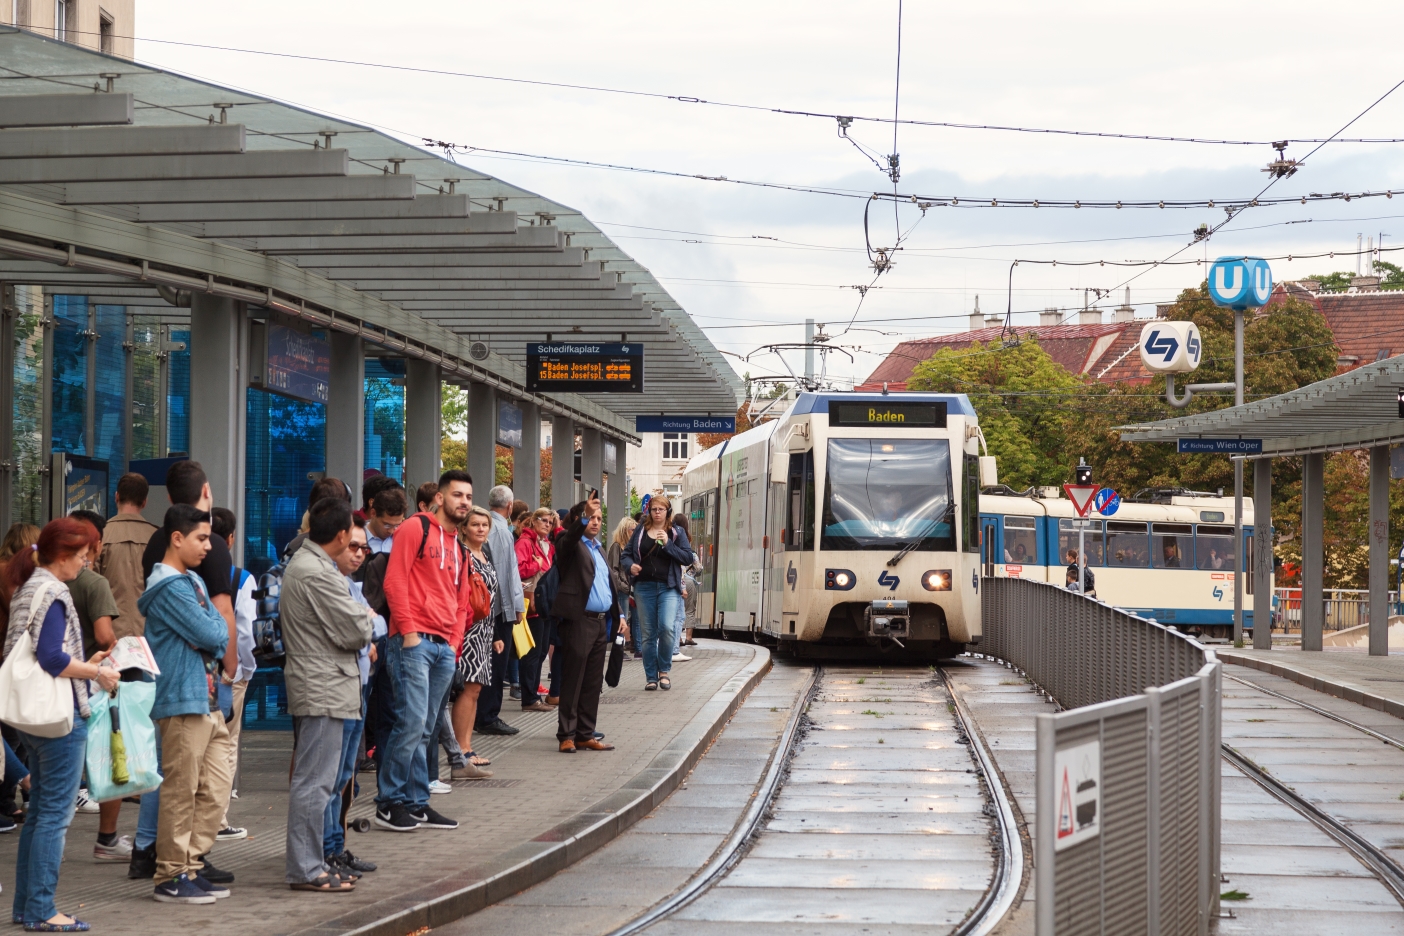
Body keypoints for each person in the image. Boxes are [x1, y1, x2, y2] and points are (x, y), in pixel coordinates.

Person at [5, 518, 121, 930]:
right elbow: (53, 658)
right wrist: (96, 674)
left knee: (39, 816)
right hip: (59, 721)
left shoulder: (27, 586)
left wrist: (83, 665)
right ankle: (41, 910)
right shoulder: (53, 591)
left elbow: (45, 656)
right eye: (84, 556)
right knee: (54, 817)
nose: (86, 564)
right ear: (64, 556)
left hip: (31, 719)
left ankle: (26, 907)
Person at [131, 462, 237, 883]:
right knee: (180, 792)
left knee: (213, 788)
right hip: (182, 698)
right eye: (200, 539)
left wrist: (210, 632)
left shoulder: (191, 582)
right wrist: (210, 633)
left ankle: (191, 864)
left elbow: (212, 631)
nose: (208, 547)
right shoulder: (171, 586)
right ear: (177, 539)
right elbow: (212, 631)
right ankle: (172, 873)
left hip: (206, 699)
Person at [280, 498, 373, 892]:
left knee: (322, 781)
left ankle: (313, 862)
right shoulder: (315, 572)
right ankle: (305, 868)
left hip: (328, 684)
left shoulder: (315, 566)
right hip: (321, 685)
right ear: (339, 535)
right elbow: (357, 629)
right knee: (315, 782)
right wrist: (364, 619)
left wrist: (360, 619)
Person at [375, 470, 474, 833]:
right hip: (412, 643)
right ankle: (389, 802)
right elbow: (394, 579)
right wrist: (410, 632)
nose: (464, 501)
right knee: (412, 722)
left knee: (426, 728)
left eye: (468, 496)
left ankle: (416, 802)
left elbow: (462, 600)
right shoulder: (416, 528)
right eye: (457, 495)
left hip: (443, 648)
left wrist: (453, 644)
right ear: (440, 498)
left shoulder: (458, 546)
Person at [66, 510, 130, 860]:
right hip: (92, 681)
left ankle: (50, 838)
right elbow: (105, 637)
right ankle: (107, 838)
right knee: (109, 757)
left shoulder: (43, 580)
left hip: (57, 686)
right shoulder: (93, 584)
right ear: (96, 545)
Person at [323, 518, 383, 876]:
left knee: (345, 775)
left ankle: (336, 847)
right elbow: (360, 627)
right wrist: (366, 625)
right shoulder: (328, 582)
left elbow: (379, 626)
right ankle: (327, 850)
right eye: (354, 547)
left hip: (357, 686)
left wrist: (367, 625)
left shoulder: (352, 585)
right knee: (329, 779)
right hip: (335, 688)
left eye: (365, 549)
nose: (360, 554)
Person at [552, 493, 627, 752]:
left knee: (593, 682)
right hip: (579, 621)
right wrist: (582, 516)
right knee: (573, 679)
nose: (595, 522)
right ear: (578, 520)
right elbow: (570, 537)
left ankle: (585, 733)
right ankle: (567, 735)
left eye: (598, 518)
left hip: (599, 622)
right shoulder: (568, 543)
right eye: (590, 518)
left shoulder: (599, 549)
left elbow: (608, 586)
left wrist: (620, 615)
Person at [209, 508, 254, 842]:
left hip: (199, 671)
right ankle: (219, 820)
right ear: (231, 538)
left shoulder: (188, 574)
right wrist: (242, 670)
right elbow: (246, 631)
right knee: (226, 744)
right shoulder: (240, 578)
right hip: (230, 673)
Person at [622, 494, 692, 691]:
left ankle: (664, 671)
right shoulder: (641, 530)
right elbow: (626, 555)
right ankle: (651, 677)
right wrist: (631, 567)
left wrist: (668, 544)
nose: (658, 512)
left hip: (668, 587)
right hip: (644, 587)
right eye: (654, 509)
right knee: (648, 634)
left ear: (667, 511)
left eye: (661, 509)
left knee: (667, 628)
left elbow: (687, 557)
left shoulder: (676, 532)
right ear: (649, 512)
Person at [450, 507, 500, 778]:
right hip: (468, 629)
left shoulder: (484, 553)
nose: (481, 529)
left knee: (476, 690)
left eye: (484, 525)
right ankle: (462, 748)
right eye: (475, 525)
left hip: (485, 630)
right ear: (464, 528)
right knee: (468, 690)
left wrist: (496, 636)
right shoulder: (463, 554)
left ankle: (467, 746)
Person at [475, 486, 524, 738]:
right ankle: (488, 716)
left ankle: (480, 714)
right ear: (510, 506)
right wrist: (515, 607)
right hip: (497, 611)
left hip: (482, 607)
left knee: (483, 665)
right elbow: (507, 573)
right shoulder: (503, 532)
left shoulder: (486, 528)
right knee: (495, 665)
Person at [98, 473, 157, 640]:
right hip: (149, 635)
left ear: (116, 497)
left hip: (110, 634)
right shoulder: (157, 538)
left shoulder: (100, 535)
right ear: (144, 502)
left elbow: (92, 588)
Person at [515, 509, 556, 712]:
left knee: (541, 652)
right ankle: (529, 697)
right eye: (544, 520)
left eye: (551, 522)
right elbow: (519, 570)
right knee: (532, 652)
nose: (548, 524)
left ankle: (532, 694)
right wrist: (536, 564)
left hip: (544, 604)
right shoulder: (525, 542)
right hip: (531, 604)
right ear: (533, 521)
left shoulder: (546, 544)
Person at [670, 514, 698, 662]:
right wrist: (683, 585)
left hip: (678, 580)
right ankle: (675, 649)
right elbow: (688, 563)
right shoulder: (682, 537)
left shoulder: (671, 536)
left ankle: (677, 643)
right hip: (682, 580)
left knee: (677, 615)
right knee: (681, 615)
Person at [366, 487, 406, 555]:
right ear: (373, 513)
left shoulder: (403, 540)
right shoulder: (354, 537)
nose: (391, 531)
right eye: (387, 525)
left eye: (397, 526)